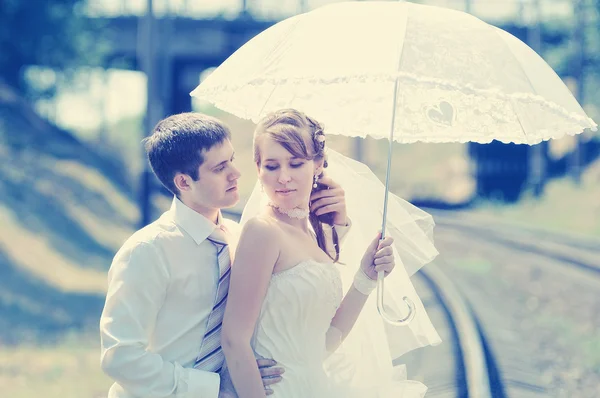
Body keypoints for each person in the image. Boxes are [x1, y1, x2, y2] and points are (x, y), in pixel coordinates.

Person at [100, 112, 352, 397]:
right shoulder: (148, 251)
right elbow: (119, 357)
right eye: (220, 168)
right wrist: (213, 388)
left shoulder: (238, 235)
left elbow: (298, 283)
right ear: (184, 182)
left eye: (232, 159)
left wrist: (335, 225)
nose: (236, 173)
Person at [220, 109, 436, 398]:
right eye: (271, 166)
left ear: (318, 164)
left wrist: (366, 277)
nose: (283, 177)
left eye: (296, 164)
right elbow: (234, 339)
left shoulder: (310, 235)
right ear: (258, 169)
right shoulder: (263, 231)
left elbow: (325, 343)